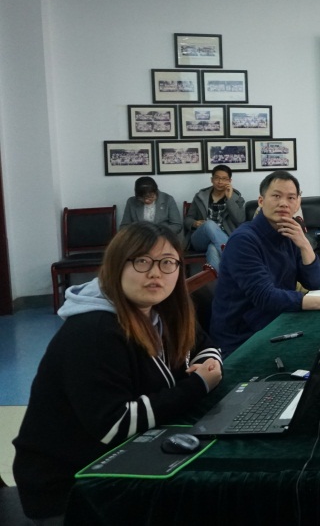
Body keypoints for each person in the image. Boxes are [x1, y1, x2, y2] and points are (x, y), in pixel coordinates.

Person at [13, 222, 223, 522]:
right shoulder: (93, 330)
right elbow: (115, 425)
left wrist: (210, 363)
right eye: (142, 261)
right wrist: (198, 385)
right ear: (116, 265)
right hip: (71, 487)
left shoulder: (162, 310)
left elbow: (203, 344)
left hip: (127, 459)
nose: (156, 273)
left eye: (167, 262)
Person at [210, 171, 320, 355]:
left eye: (291, 198)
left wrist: (304, 244)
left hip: (277, 320)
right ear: (261, 201)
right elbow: (265, 296)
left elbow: (314, 282)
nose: (284, 203)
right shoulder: (243, 240)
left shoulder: (289, 231)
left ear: (298, 203)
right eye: (276, 196)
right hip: (243, 339)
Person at [185, 164, 246, 272]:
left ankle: (217, 282)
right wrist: (194, 223)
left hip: (223, 238)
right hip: (200, 239)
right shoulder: (200, 196)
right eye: (217, 178)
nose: (220, 182)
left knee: (213, 248)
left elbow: (240, 220)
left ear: (230, 181)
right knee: (209, 224)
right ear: (212, 179)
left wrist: (230, 199)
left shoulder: (237, 198)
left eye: (224, 179)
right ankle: (234, 259)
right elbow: (188, 219)